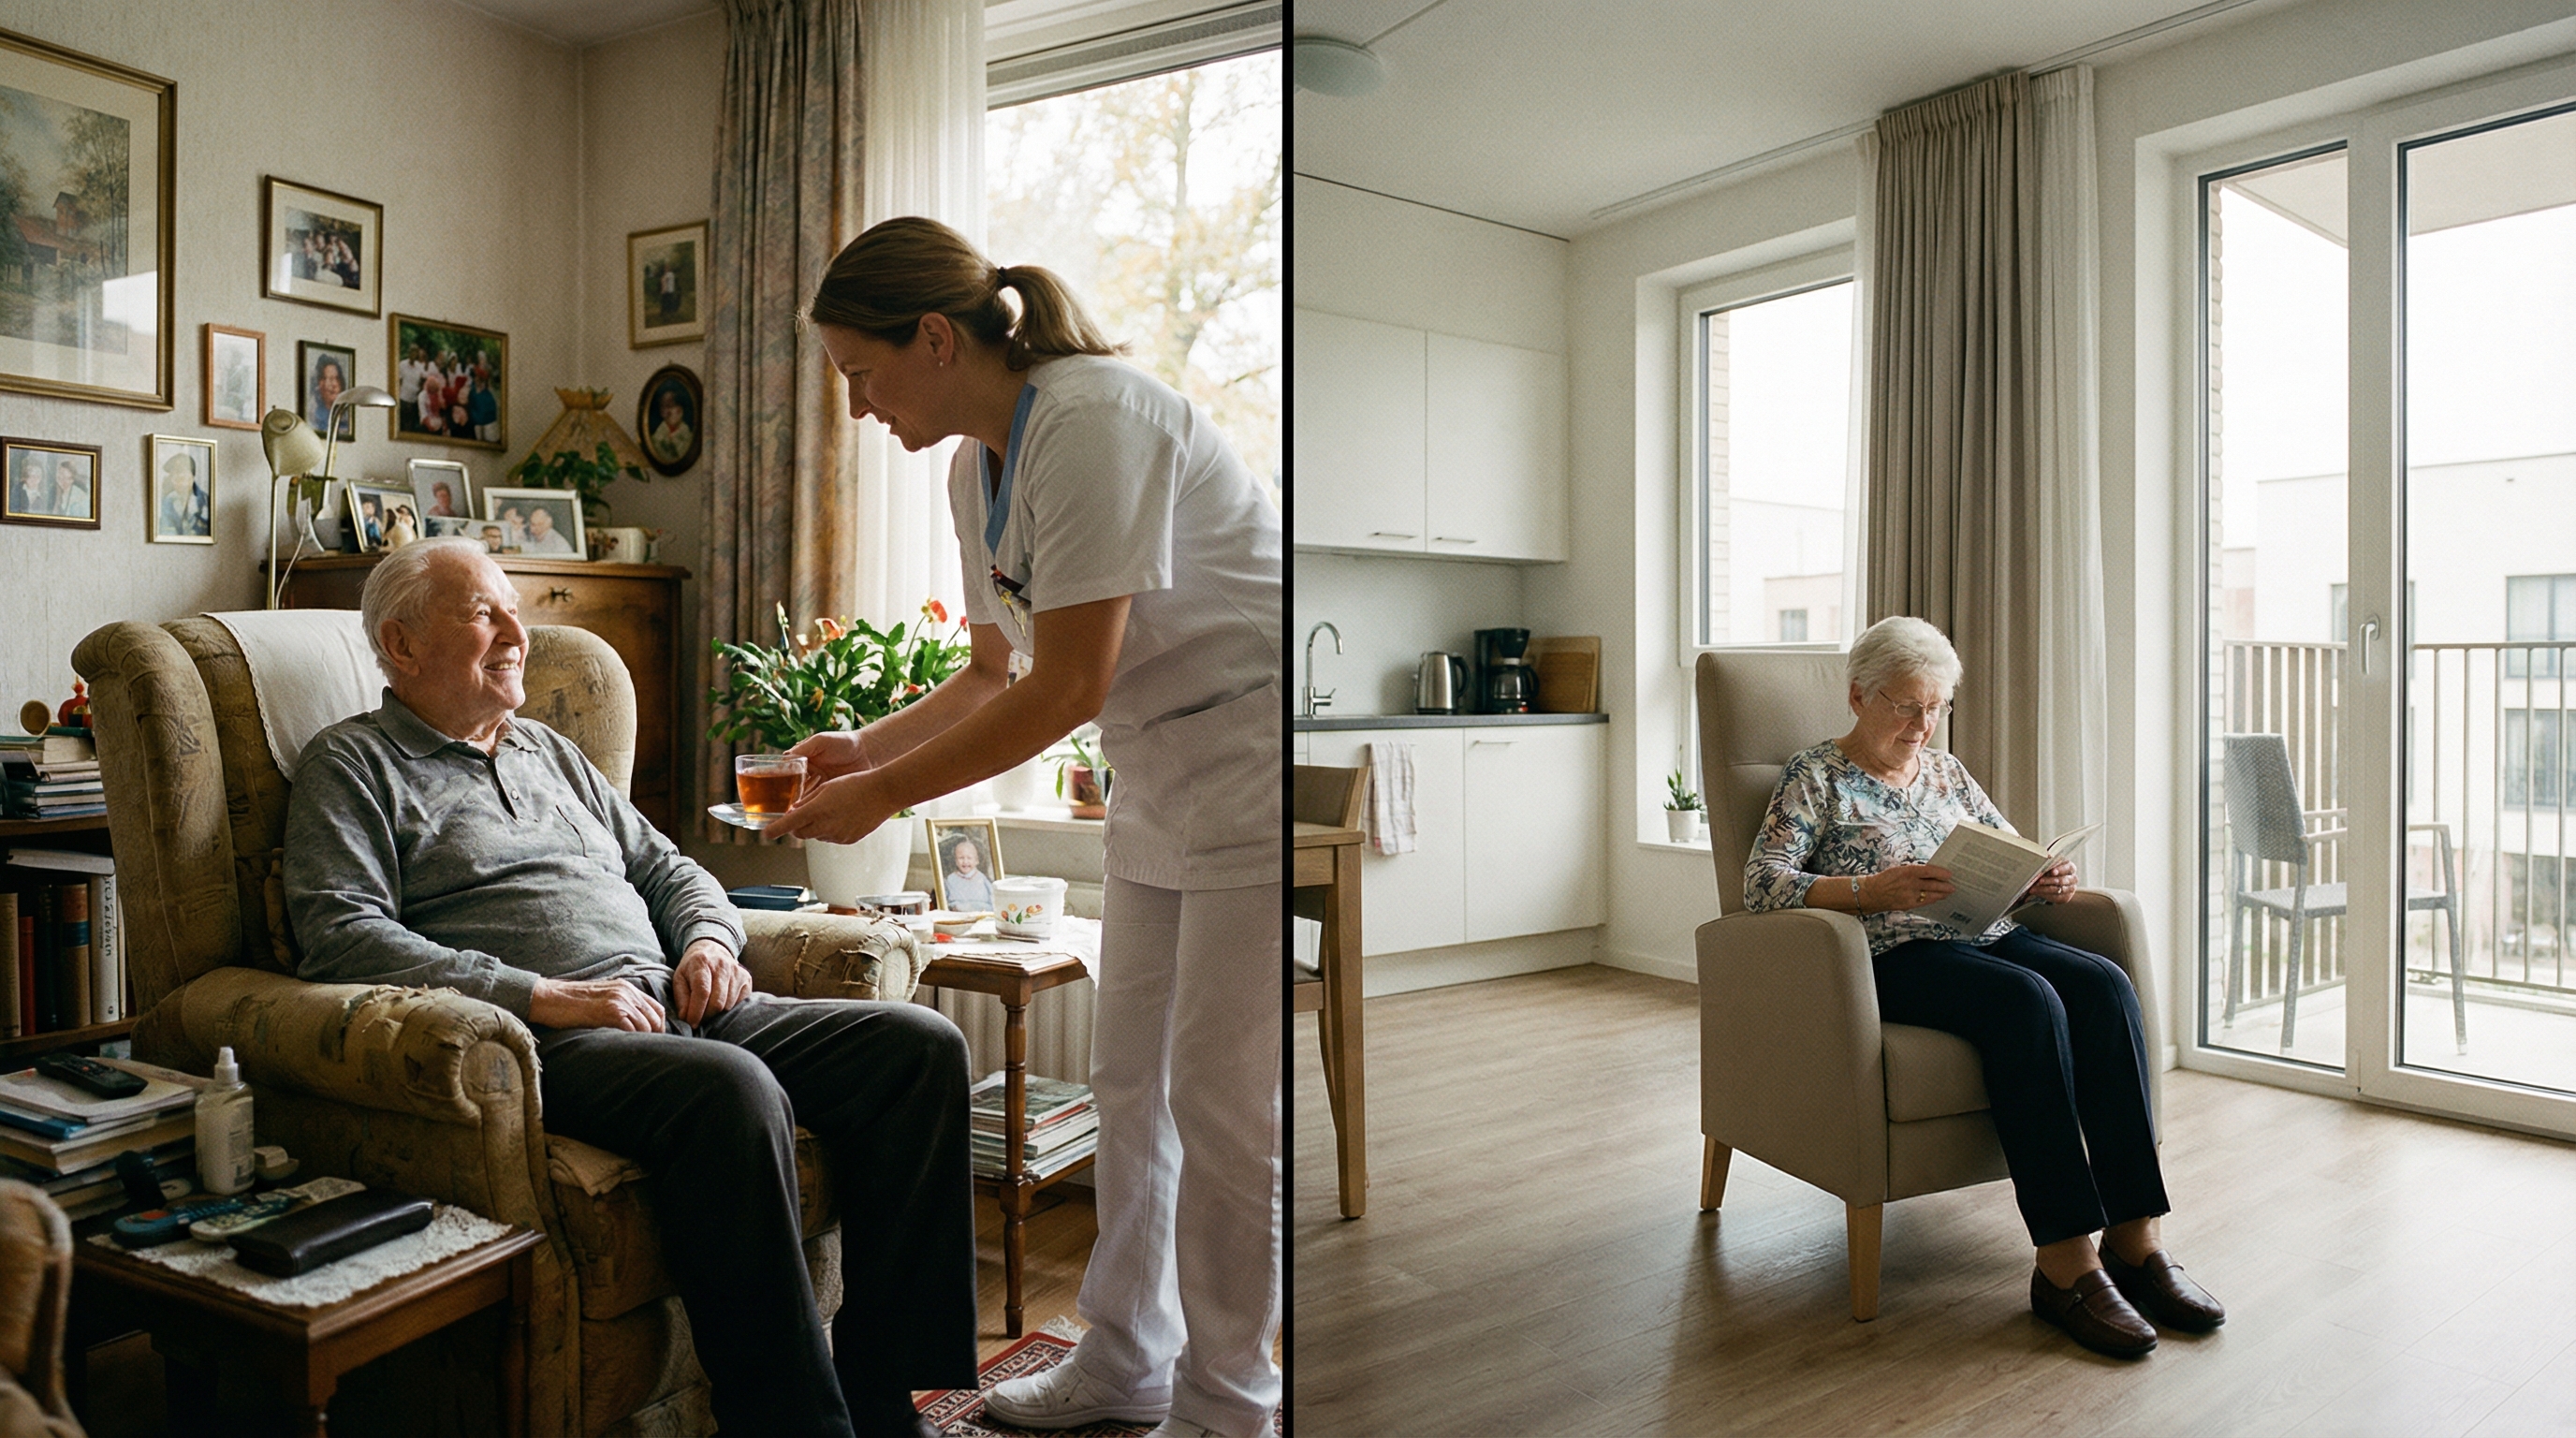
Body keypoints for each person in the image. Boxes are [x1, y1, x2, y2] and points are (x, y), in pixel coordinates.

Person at [766, 216, 1281, 1438]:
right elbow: (993, 674)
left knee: (1217, 1104)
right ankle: (1126, 1363)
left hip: (1253, 758)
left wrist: (886, 795)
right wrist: (864, 749)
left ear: (934, 339)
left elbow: (1069, 689)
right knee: (1126, 1082)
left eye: (861, 373)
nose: (856, 407)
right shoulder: (970, 465)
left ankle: (1228, 1405)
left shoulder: (1095, 419)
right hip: (1160, 774)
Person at [282, 538, 975, 1436]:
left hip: (682, 1001)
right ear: (402, 644)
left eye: (514, 611)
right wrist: (540, 994)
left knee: (920, 1050)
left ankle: (884, 1399)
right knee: (732, 1090)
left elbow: (671, 870)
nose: (515, 633)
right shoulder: (353, 767)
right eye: (483, 613)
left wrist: (709, 943)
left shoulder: (551, 754)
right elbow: (342, 939)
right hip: (557, 1039)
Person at [1744, 615, 2225, 1358]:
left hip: (1985, 936)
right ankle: (2064, 1264)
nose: (1923, 723)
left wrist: (2043, 877)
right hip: (1891, 955)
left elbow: (2007, 851)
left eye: (1935, 706)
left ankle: (2135, 1239)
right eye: (1906, 706)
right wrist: (1869, 888)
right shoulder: (1816, 776)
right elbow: (1762, 884)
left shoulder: (1946, 771)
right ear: (1858, 697)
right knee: (2026, 1003)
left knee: (2103, 984)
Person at [938, 836, 996, 913]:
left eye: (969, 858)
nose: (965, 862)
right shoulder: (950, 879)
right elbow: (944, 899)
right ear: (955, 861)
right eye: (961, 858)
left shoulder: (982, 878)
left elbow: (994, 896)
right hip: (958, 914)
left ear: (976, 861)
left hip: (982, 912)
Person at [159, 452, 210, 537]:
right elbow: (165, 532)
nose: (176, 478)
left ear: (192, 476)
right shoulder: (168, 501)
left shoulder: (205, 501)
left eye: (180, 472)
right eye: (173, 474)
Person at [649, 386, 694, 464]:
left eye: (671, 405)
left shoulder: (689, 438)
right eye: (663, 406)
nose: (667, 411)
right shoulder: (656, 440)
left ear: (681, 410)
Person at [310, 357, 347, 437]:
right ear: (320, 384)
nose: (334, 384)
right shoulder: (314, 418)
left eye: (337, 379)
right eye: (330, 379)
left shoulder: (344, 419)